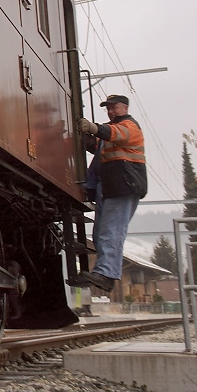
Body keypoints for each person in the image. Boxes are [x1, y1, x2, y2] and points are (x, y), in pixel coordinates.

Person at [69, 94, 147, 292]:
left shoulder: (130, 126)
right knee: (101, 232)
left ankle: (107, 273)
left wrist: (93, 128)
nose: (111, 111)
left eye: (114, 107)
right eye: (108, 108)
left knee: (110, 231)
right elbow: (98, 144)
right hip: (110, 186)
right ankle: (104, 272)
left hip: (123, 184)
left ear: (125, 108)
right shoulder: (112, 130)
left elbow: (114, 134)